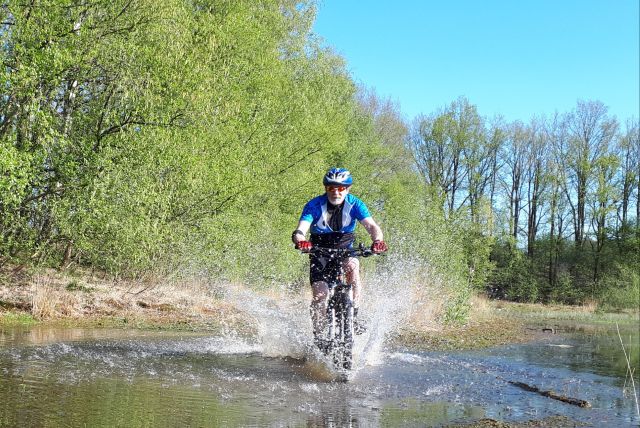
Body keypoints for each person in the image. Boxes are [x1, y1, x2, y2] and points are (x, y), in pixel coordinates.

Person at [291, 168, 388, 348]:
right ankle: (319, 336)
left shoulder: (355, 204)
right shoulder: (314, 205)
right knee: (320, 295)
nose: (336, 192)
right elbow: (300, 229)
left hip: (344, 248)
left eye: (341, 188)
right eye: (331, 188)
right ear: (326, 188)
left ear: (348, 189)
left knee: (353, 267)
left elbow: (372, 226)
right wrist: (301, 241)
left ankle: (354, 314)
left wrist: (377, 241)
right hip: (319, 250)